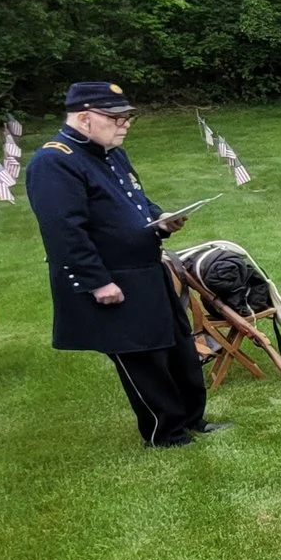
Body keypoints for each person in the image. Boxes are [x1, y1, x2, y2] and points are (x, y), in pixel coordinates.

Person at [26, 81, 227, 449]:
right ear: (85, 118)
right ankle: (164, 432)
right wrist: (97, 281)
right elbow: (63, 231)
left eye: (128, 117)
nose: (126, 124)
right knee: (144, 359)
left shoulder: (109, 152)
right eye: (117, 117)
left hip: (148, 269)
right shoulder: (54, 161)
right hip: (113, 278)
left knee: (179, 345)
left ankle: (193, 418)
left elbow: (133, 200)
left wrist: (159, 218)